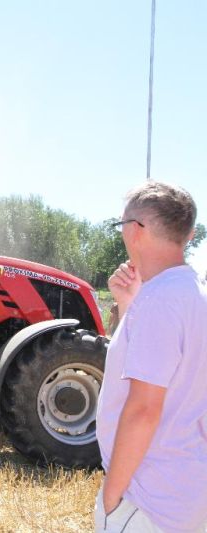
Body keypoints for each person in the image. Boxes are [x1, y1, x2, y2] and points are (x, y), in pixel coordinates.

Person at [94, 181, 207, 532]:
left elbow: (144, 409)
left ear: (134, 230)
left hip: (148, 499)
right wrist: (130, 304)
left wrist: (113, 495)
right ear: (187, 235)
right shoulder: (194, 295)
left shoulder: (160, 301)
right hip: (187, 490)